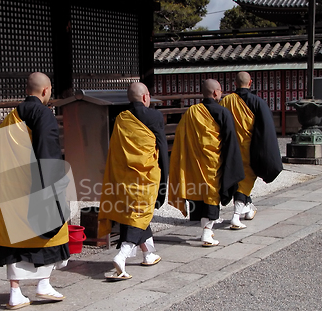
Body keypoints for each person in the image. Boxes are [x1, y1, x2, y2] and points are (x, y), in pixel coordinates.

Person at [0, 72, 70, 309]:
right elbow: (48, 154)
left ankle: (15, 293)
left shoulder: (10, 118)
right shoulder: (43, 115)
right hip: (34, 186)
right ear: (46, 91)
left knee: (11, 240)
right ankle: (43, 284)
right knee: (50, 234)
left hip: (8, 191)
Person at [98, 82, 169, 280]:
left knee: (135, 213)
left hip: (124, 176)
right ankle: (122, 255)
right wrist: (165, 177)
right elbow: (162, 147)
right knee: (141, 212)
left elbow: (116, 150)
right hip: (146, 176)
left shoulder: (121, 118)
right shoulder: (154, 116)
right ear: (146, 97)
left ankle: (148, 253)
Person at [168, 79, 244, 247]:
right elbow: (230, 141)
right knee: (211, 195)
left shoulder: (191, 112)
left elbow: (181, 139)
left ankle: (206, 230)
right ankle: (207, 233)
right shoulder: (223, 113)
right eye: (220, 91)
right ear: (216, 92)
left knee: (199, 194)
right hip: (213, 163)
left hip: (195, 163)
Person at [220, 71, 283, 229]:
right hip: (248, 149)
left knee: (237, 180)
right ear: (250, 83)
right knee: (245, 181)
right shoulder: (257, 102)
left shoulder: (226, 101)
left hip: (229, 149)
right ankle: (235, 217)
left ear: (234, 83)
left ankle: (248, 209)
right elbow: (266, 129)